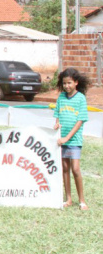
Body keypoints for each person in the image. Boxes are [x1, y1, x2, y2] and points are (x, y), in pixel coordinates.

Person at [54, 68, 90, 210]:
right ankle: (68, 199)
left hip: (73, 140)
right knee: (64, 168)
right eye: (64, 83)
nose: (67, 86)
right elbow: (57, 113)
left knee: (75, 169)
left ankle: (82, 200)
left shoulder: (81, 98)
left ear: (76, 82)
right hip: (61, 139)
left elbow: (80, 120)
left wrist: (67, 137)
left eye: (69, 83)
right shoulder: (61, 97)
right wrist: (56, 124)